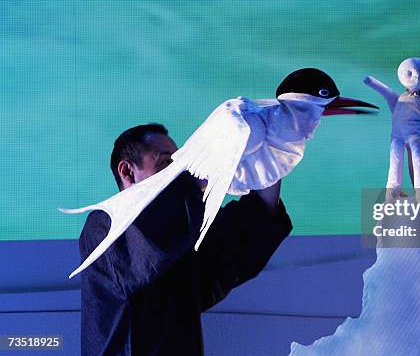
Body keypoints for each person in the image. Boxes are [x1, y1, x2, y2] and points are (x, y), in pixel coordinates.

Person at [79, 123, 292, 355]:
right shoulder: (103, 228)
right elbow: (157, 226)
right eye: (166, 163)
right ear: (128, 172)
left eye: (181, 164)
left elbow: (244, 229)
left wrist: (271, 153)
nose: (179, 173)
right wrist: (206, 176)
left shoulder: (182, 242)